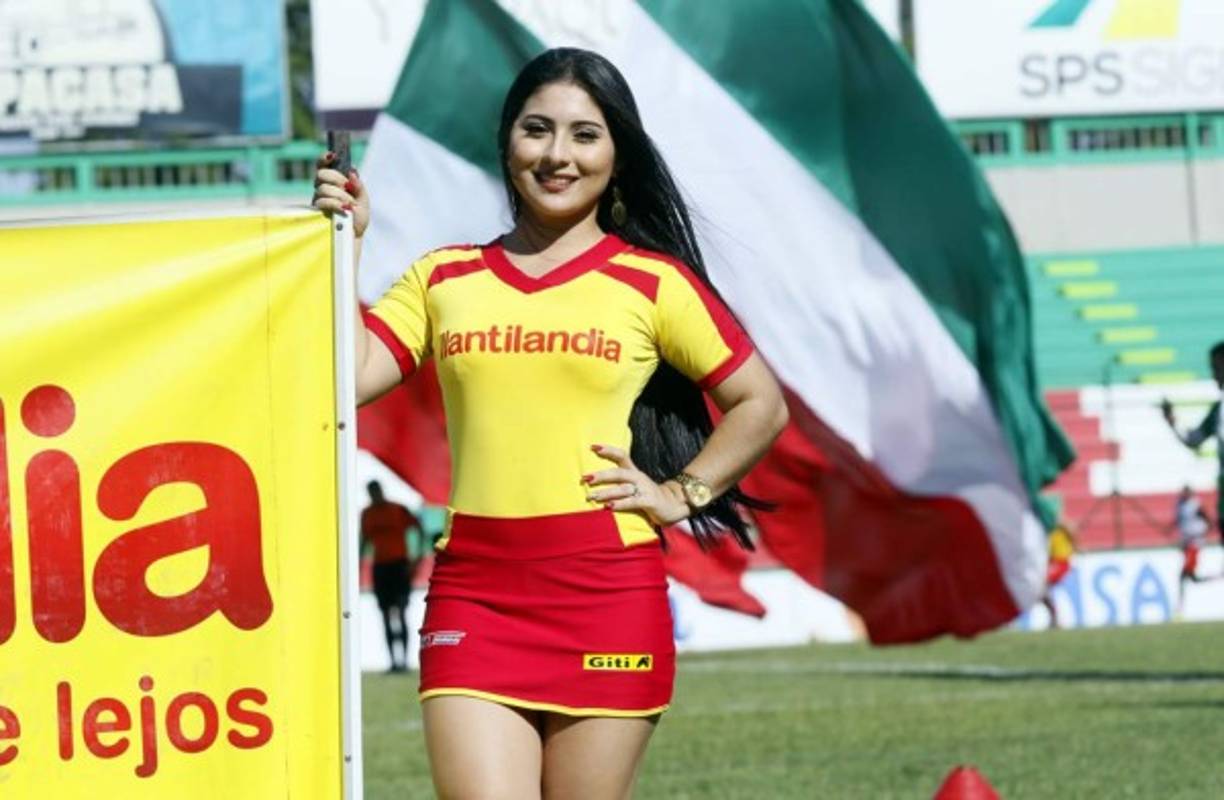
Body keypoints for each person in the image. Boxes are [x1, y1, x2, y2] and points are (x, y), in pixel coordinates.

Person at [313, 48, 788, 797]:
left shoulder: (653, 283)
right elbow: (347, 377)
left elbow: (760, 403)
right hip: (475, 594)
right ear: (507, 144)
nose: (557, 154)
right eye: (537, 130)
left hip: (606, 596)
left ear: (617, 154)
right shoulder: (444, 278)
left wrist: (679, 494)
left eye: (584, 135)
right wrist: (348, 244)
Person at [1161, 341, 1224, 550]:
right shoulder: (1219, 410)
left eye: (1216, 368)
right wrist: (1173, 422)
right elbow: (1194, 439)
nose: (1214, 375)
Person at [360, 480, 420, 673]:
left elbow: (419, 529)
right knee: (385, 615)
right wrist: (358, 568)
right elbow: (364, 542)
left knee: (401, 612)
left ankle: (403, 661)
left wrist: (416, 558)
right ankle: (393, 662)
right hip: (381, 567)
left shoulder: (398, 509)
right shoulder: (367, 515)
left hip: (399, 566)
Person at [1167, 486, 1211, 615]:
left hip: (1194, 544)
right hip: (1187, 544)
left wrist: (1201, 533)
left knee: (1184, 575)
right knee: (1192, 578)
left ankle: (1179, 608)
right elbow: (1179, 521)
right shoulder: (1179, 505)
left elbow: (1207, 520)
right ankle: (1218, 577)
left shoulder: (1195, 505)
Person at [1040, 521, 1076, 629]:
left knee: (1040, 585)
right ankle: (1054, 618)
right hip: (1053, 563)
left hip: (1061, 562)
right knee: (1040, 589)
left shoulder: (1059, 526)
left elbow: (1071, 531)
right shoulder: (1047, 531)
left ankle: (1055, 618)